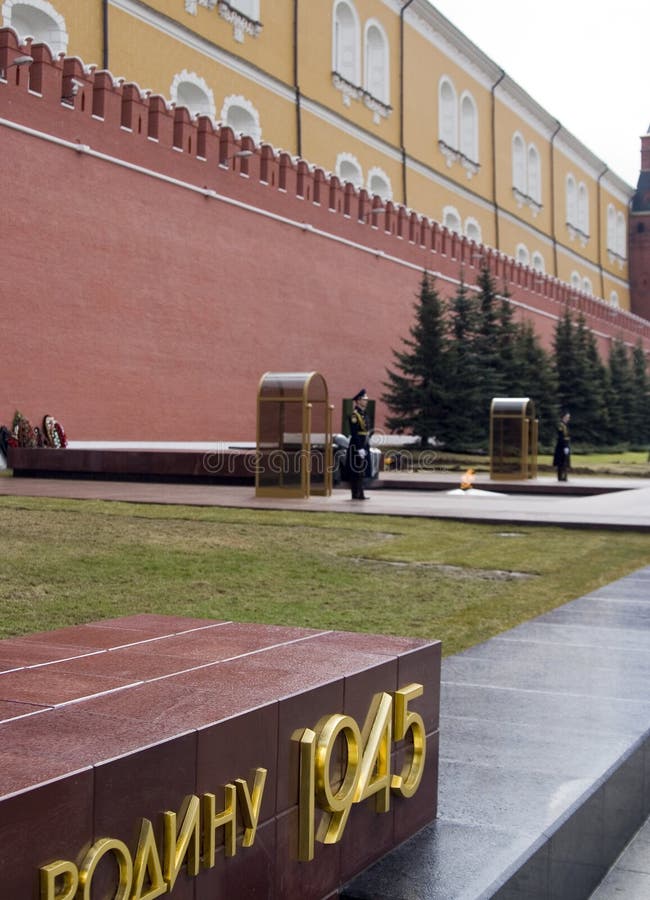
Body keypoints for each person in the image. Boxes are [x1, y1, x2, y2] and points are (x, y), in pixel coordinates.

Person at [346, 388, 371, 500]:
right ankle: (355, 494)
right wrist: (360, 448)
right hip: (357, 446)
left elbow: (367, 431)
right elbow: (354, 433)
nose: (366, 401)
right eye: (364, 399)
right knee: (356, 470)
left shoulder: (364, 414)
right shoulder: (355, 415)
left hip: (364, 444)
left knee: (362, 470)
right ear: (358, 400)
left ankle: (360, 493)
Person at [553, 411, 571, 482]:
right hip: (561, 446)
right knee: (561, 462)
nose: (568, 419)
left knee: (565, 462)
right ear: (563, 417)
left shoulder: (565, 425)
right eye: (567, 417)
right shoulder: (561, 425)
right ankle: (561, 477)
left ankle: (564, 476)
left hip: (565, 445)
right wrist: (565, 446)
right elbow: (561, 437)